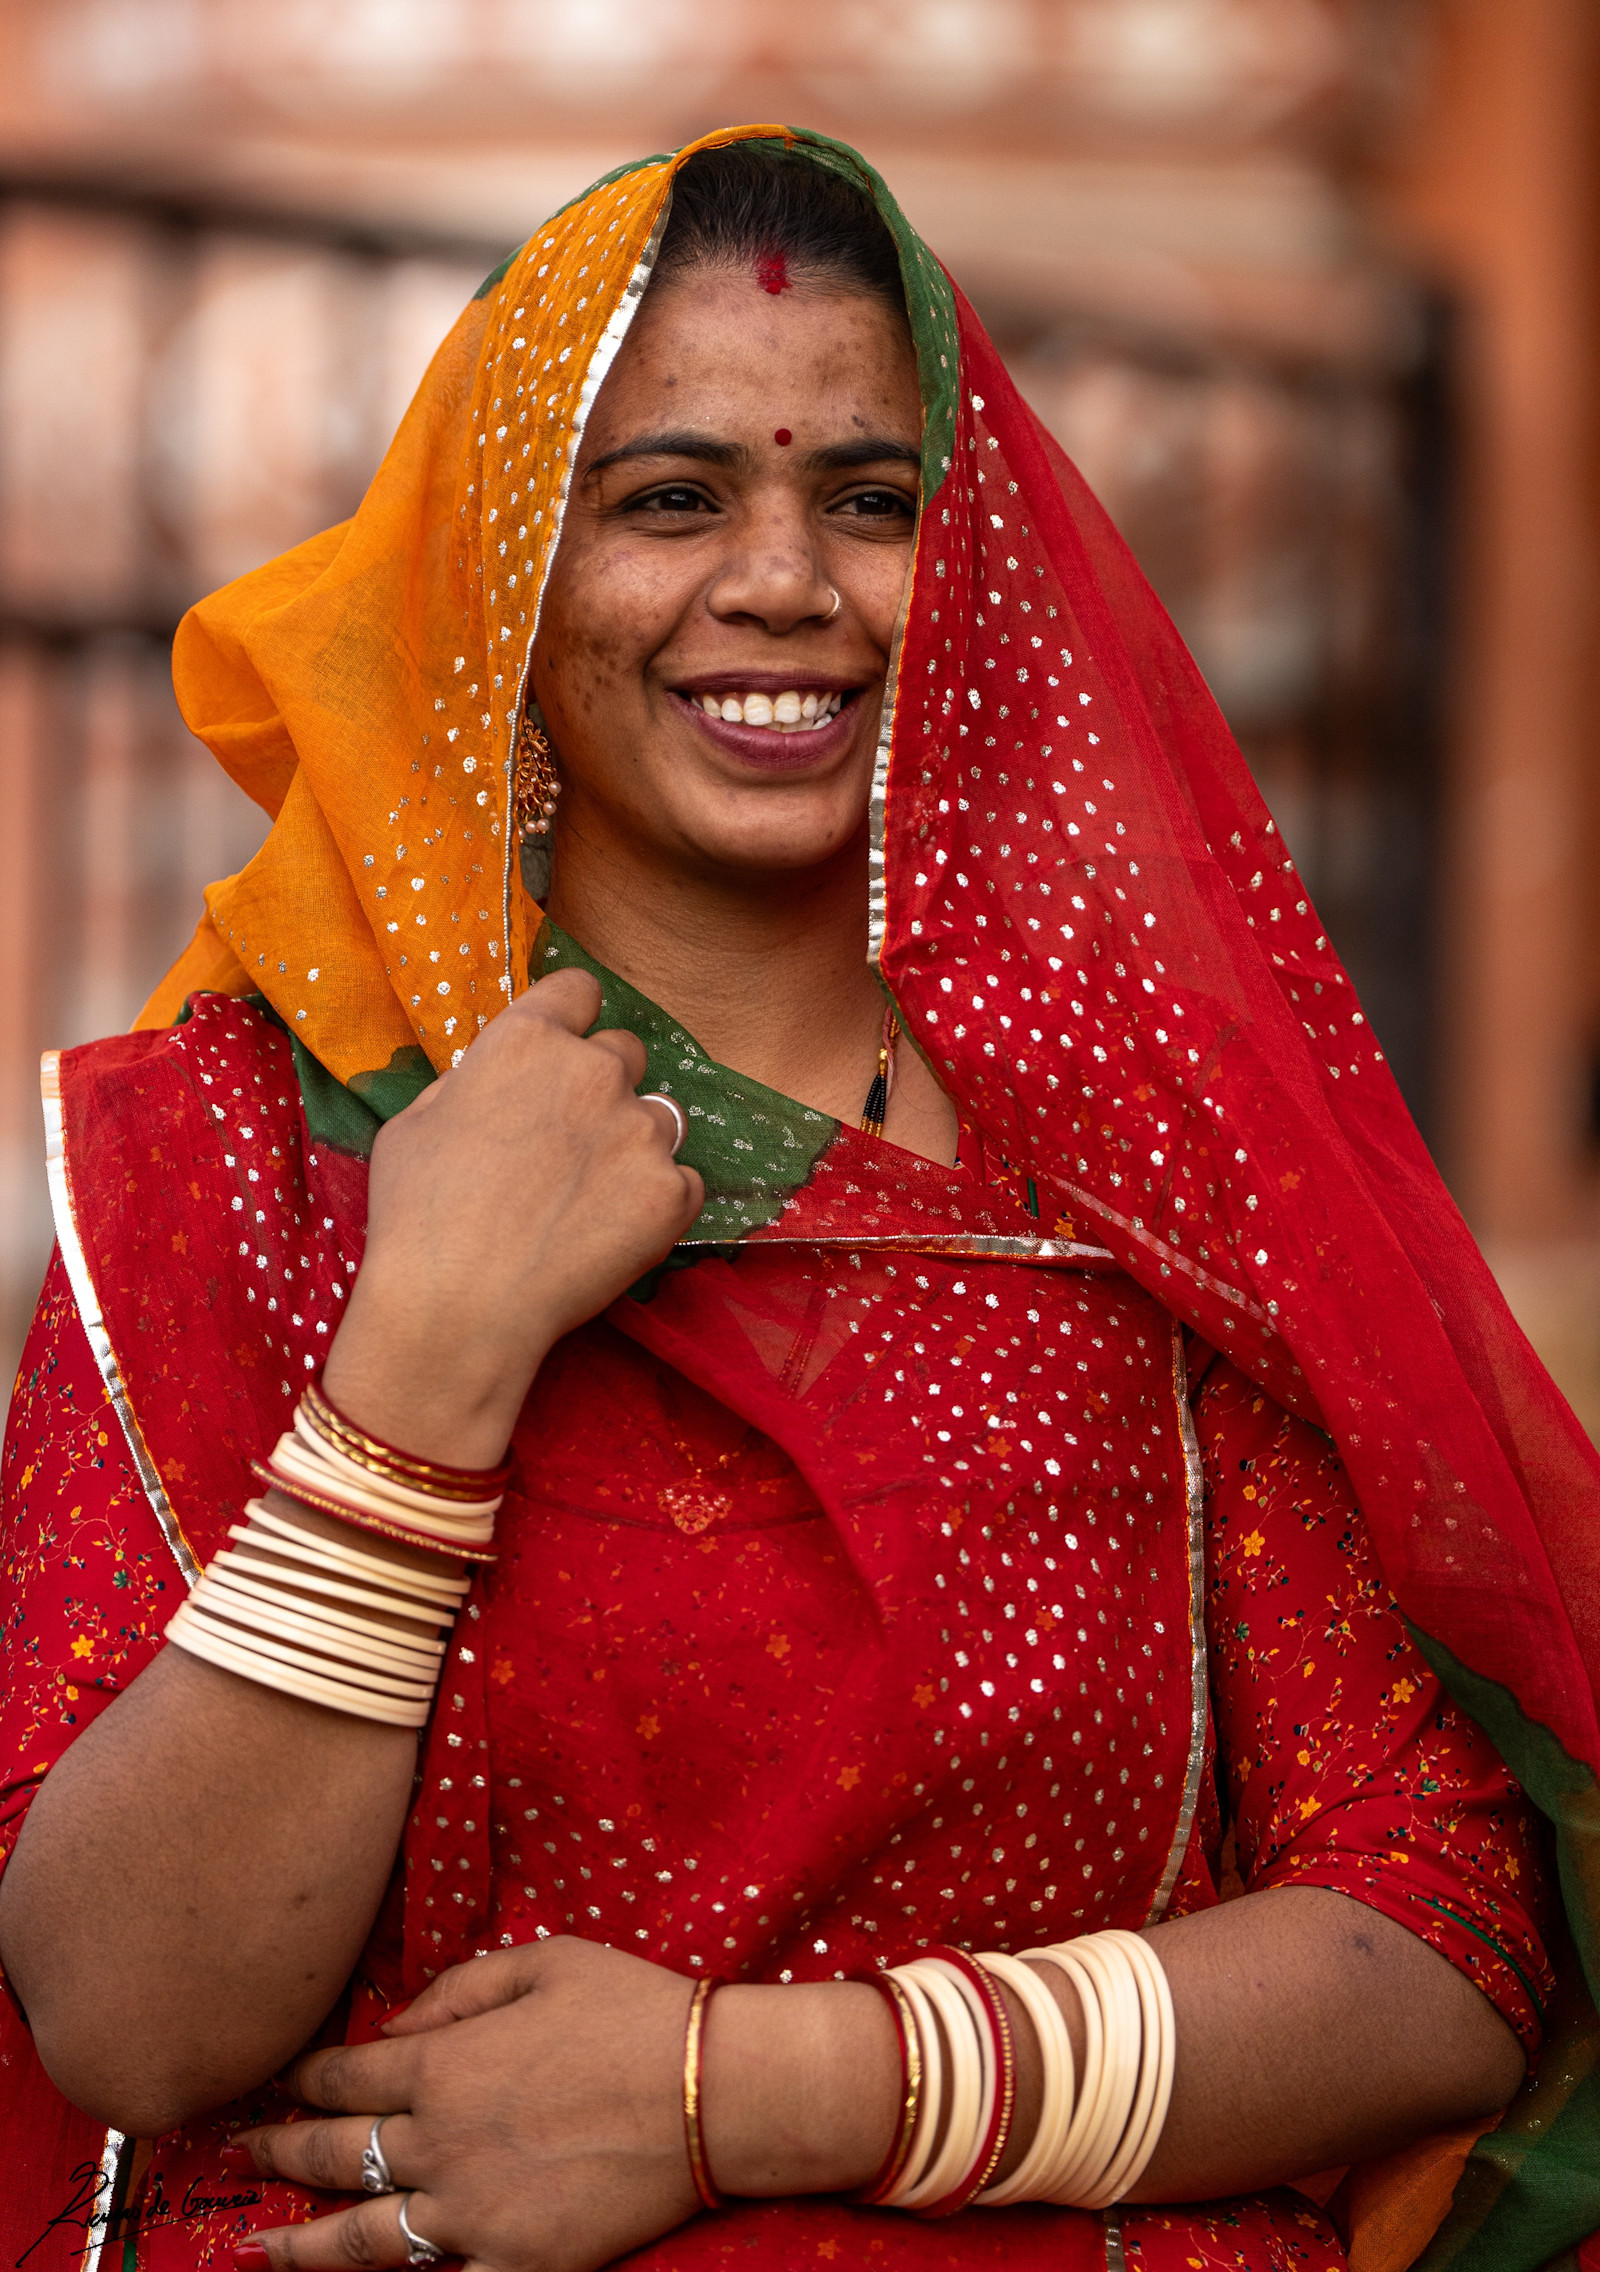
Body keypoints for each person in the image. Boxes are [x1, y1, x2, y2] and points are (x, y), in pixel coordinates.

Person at [0, 126, 1596, 2272]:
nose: (783, 581)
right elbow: (124, 2016)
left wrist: (738, 2093)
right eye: (669, 498)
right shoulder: (257, 1147)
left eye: (868, 500)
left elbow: (1439, 1938)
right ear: (503, 576)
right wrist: (422, 1364)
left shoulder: (1135, 1166)